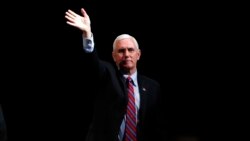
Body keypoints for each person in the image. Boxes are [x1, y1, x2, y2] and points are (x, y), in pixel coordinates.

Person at [65, 8, 163, 141]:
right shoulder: (107, 75)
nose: (127, 54)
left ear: (138, 54)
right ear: (114, 56)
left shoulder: (152, 86)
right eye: (121, 51)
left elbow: (157, 125)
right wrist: (87, 34)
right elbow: (92, 63)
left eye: (130, 50)